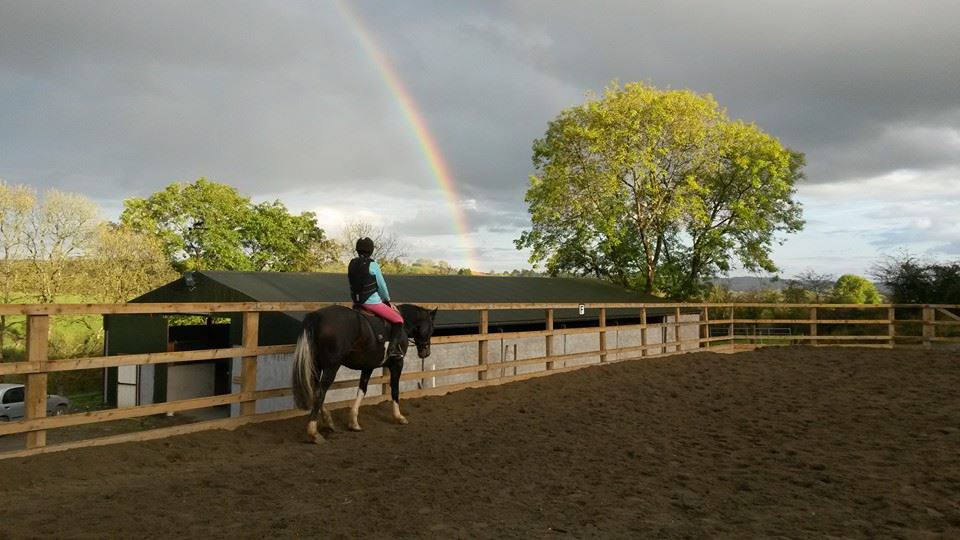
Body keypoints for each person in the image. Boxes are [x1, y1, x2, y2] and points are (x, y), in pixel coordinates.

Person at [348, 237, 405, 361]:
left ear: (357, 250)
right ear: (371, 250)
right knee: (398, 320)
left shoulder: (352, 263)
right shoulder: (373, 265)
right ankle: (392, 350)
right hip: (371, 303)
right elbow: (382, 285)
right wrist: (387, 300)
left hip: (356, 303)